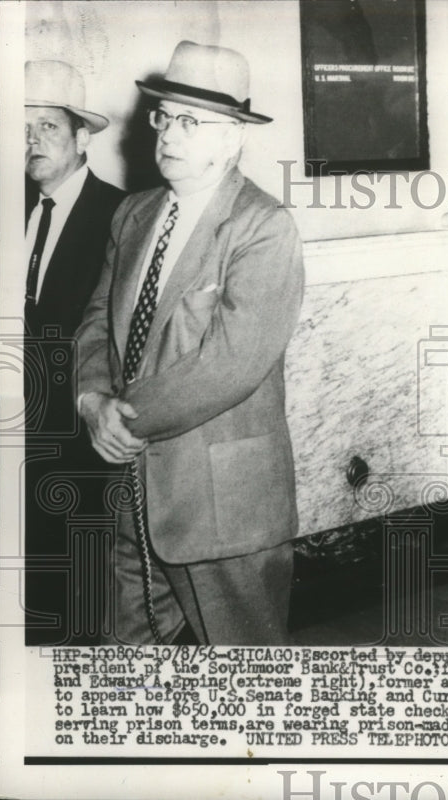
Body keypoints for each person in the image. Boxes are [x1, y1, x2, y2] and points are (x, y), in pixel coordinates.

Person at [75, 41, 305, 645]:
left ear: (231, 138)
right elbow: (97, 318)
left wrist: (122, 418)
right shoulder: (134, 213)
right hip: (129, 486)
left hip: (220, 503)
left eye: (190, 122)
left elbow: (231, 364)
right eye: (164, 117)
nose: (169, 135)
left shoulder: (262, 226)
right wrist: (90, 401)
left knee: (249, 685)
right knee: (127, 665)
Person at [24, 59, 126, 645]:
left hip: (82, 450)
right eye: (22, 129)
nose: (32, 142)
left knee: (84, 610)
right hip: (20, 442)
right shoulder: (14, 211)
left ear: (82, 137)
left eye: (48, 127)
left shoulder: (120, 215)